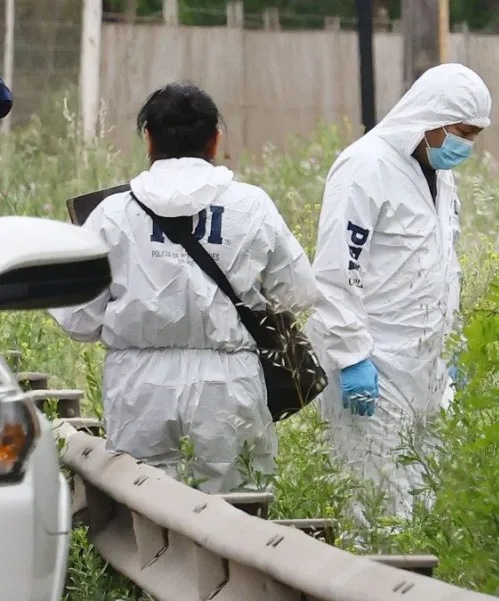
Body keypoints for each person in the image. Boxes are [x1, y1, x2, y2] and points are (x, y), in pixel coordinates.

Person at [49, 82, 318, 493]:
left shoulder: (112, 213)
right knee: (237, 510)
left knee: (143, 503)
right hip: (229, 381)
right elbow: (297, 293)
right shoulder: (252, 205)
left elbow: (77, 318)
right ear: (215, 139)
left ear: (148, 138)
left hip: (139, 384)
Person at [306, 63, 492, 520]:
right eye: (460, 131)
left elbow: (443, 268)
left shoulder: (439, 178)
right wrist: (351, 357)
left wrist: (455, 345)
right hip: (375, 367)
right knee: (375, 507)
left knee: (425, 507)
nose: (465, 145)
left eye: (474, 135)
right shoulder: (365, 166)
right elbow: (336, 269)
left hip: (426, 370)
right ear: (429, 118)